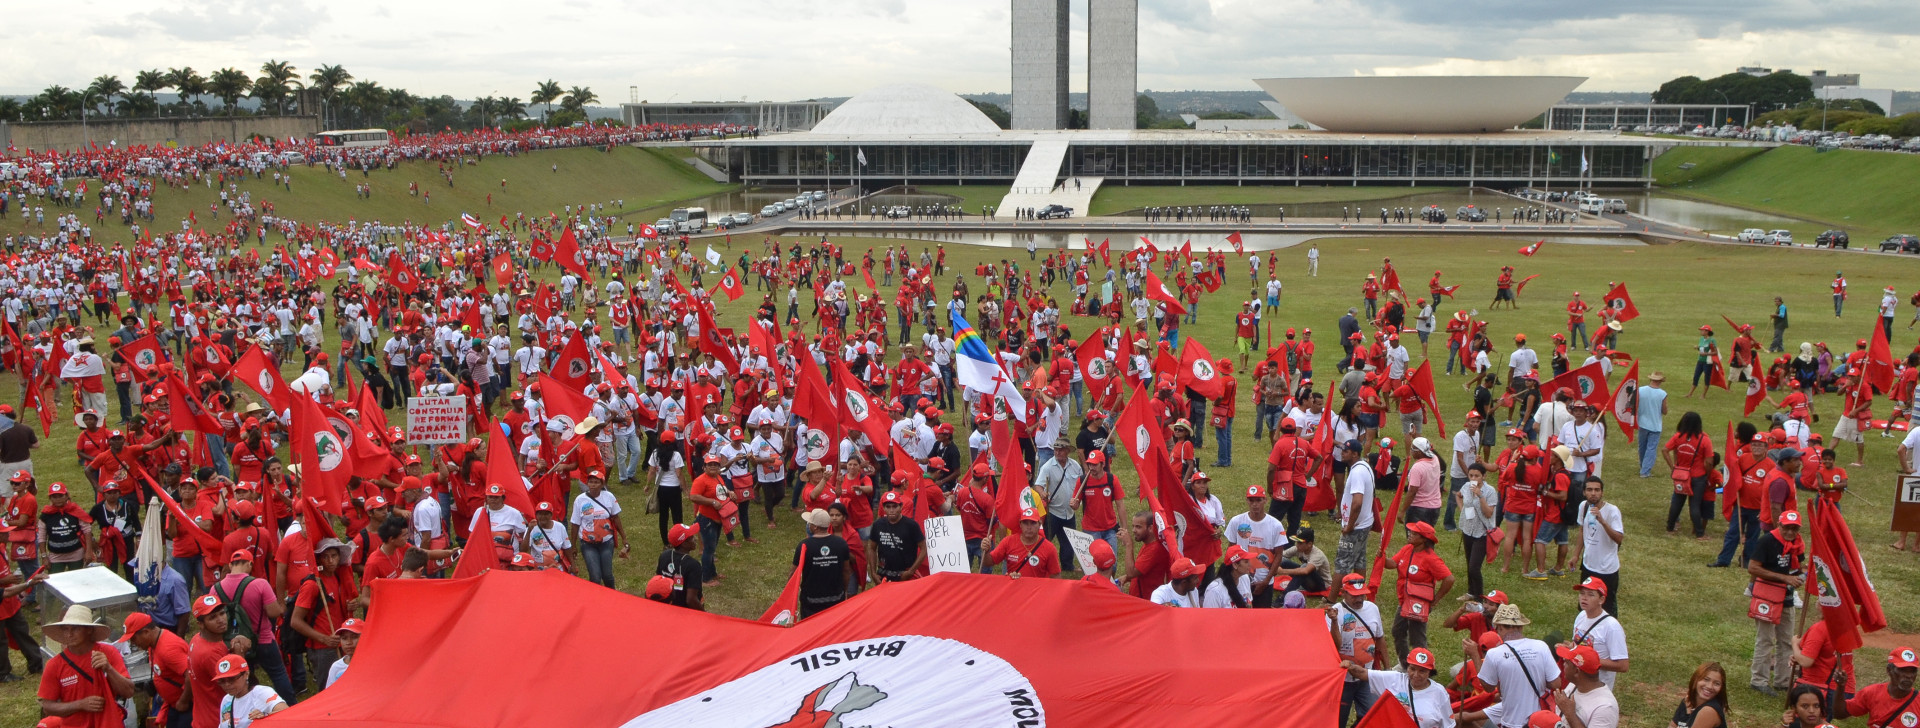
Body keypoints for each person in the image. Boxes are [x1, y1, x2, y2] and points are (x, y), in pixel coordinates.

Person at [37, 604, 135, 727]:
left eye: (75, 629)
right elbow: (47, 707)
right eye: (66, 629)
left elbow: (129, 692)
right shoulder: (54, 665)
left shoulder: (108, 653)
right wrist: (81, 704)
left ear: (89, 630)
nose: (69, 634)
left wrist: (109, 669)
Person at [1748, 509, 1806, 695]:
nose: (1790, 532)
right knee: (1765, 639)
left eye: (1794, 528)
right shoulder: (1767, 541)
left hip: (1787, 598)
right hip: (1768, 597)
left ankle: (1783, 680)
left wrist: (1803, 573)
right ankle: (1759, 680)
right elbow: (1753, 567)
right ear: (1779, 525)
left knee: (1787, 641)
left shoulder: (1797, 543)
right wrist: (1784, 578)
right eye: (1787, 528)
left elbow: (1798, 568)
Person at [1476, 604, 1560, 728]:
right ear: (1520, 627)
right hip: (1540, 722)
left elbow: (1488, 687)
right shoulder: (1541, 646)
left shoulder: (1494, 654)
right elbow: (1556, 684)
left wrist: (1474, 657)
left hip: (1511, 722)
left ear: (1499, 628)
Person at [1388, 521, 1452, 667]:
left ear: (1424, 539)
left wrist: (1435, 600)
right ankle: (1405, 664)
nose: (1410, 534)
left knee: (1417, 638)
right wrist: (1382, 557)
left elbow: (1449, 579)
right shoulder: (1407, 549)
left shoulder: (1431, 558)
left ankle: (1421, 668)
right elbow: (1393, 563)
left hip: (1419, 604)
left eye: (1414, 533)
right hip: (1404, 601)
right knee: (1397, 631)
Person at [1342, 647, 1453, 728]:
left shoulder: (1439, 693)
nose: (1415, 675)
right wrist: (1349, 666)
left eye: (1422, 671)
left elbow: (1448, 725)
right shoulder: (1394, 679)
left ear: (1430, 673)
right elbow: (1362, 673)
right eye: (1412, 669)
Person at [1328, 574, 1383, 727]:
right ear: (1343, 592)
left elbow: (1380, 638)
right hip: (1343, 679)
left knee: (1373, 715)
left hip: (1367, 676)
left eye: (1362, 595)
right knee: (1338, 721)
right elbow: (1335, 646)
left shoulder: (1372, 608)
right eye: (1354, 596)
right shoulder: (1335, 613)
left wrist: (1387, 666)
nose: (1359, 599)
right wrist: (1333, 622)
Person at [119, 612, 190, 728]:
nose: (133, 644)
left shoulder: (168, 649)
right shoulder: (154, 644)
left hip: (186, 705)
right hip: (174, 705)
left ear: (146, 632)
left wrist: (183, 701)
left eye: (133, 639)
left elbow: (191, 676)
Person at [1571, 478, 1625, 615]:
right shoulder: (1583, 507)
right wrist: (1576, 555)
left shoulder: (1612, 511)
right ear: (1584, 492)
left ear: (1602, 492)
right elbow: (1582, 531)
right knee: (1585, 605)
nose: (1593, 493)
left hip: (1607, 569)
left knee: (1606, 609)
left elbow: (1619, 539)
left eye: (1597, 490)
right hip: (1588, 565)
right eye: (1589, 490)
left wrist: (1603, 522)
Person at [570, 468, 628, 589]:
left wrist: (624, 537)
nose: (593, 485)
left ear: (602, 484)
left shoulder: (609, 497)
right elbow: (575, 524)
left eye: (596, 482)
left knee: (607, 575)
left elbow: (616, 518)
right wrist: (573, 545)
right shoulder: (580, 500)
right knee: (595, 577)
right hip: (588, 543)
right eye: (591, 482)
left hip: (606, 542)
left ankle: (613, 598)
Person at [1566, 576, 1629, 689]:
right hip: (1576, 683)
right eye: (1582, 593)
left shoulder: (1612, 627)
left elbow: (1623, 665)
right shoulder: (1581, 616)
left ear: (1601, 600)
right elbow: (1577, 645)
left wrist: (1588, 660)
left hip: (1597, 688)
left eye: (1591, 594)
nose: (1584, 598)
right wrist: (1569, 648)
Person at [794, 508, 852, 620]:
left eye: (809, 523)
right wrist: (844, 591)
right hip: (835, 599)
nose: (808, 525)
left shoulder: (804, 545)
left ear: (814, 527)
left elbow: (793, 573)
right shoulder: (841, 544)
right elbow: (846, 571)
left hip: (811, 601)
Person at [187, 593, 234, 728]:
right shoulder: (210, 654)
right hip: (217, 720)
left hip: (203, 717)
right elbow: (238, 688)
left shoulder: (196, 639)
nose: (221, 620)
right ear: (200, 624)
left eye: (222, 613)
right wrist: (240, 654)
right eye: (213, 617)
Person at [1842, 647, 1918, 728]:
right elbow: (1840, 713)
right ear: (1889, 670)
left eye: (1913, 671)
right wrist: (1840, 687)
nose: (1909, 676)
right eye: (1903, 670)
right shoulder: (1872, 693)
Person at [1456, 463, 1499, 599]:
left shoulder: (1490, 491)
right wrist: (1462, 509)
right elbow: (1458, 495)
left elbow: (1488, 513)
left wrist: (1480, 496)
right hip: (1468, 529)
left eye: (1477, 476)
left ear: (1483, 476)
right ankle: (1471, 592)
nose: (1473, 478)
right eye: (1471, 475)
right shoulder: (1465, 487)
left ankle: (1479, 598)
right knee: (1469, 563)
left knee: (1474, 567)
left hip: (1482, 533)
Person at [1554, 643, 1621, 728]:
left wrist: (1570, 715)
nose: (1563, 665)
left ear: (1577, 672)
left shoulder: (1605, 707)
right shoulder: (1574, 685)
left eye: (1567, 663)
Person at [1335, 440, 1375, 578]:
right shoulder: (1364, 466)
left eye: (1346, 451)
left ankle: (1330, 599)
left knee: (1342, 563)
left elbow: (1357, 503)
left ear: (1355, 454)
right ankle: (1359, 590)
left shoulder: (1357, 472)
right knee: (1359, 560)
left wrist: (1349, 526)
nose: (1342, 453)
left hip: (1356, 526)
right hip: (1364, 522)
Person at [984, 509, 1061, 580]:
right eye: (1025, 523)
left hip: (1037, 593)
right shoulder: (1008, 542)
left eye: (1033, 523)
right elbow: (988, 562)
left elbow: (1056, 577)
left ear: (1039, 524)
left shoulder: (1049, 548)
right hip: (1014, 590)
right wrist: (986, 551)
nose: (1029, 527)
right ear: (1020, 524)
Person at [213, 656, 288, 727]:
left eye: (232, 679)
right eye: (222, 681)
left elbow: (287, 713)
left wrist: (265, 716)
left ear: (246, 674)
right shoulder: (226, 700)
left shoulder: (262, 693)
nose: (227, 684)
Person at [868, 491, 926, 582]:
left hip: (905, 574)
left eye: (894, 506)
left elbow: (924, 548)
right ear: (883, 508)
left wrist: (911, 571)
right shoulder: (878, 525)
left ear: (901, 506)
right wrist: (873, 573)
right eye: (888, 507)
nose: (891, 510)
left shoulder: (911, 525)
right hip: (884, 574)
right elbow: (871, 548)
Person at [655, 523, 705, 610]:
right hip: (685, 613)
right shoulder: (693, 565)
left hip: (666, 608)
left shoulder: (664, 555)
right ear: (684, 544)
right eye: (692, 537)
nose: (695, 539)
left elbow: (657, 582)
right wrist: (705, 615)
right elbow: (691, 600)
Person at [1669, 662, 1727, 728]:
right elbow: (1672, 726)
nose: (1710, 686)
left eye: (1717, 683)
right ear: (1696, 679)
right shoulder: (1687, 701)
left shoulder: (1709, 711)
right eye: (1706, 679)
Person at [1637, 372, 1670, 478]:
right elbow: (1664, 411)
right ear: (1660, 381)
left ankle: (1643, 465)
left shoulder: (1640, 390)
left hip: (1642, 422)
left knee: (1642, 446)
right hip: (1655, 425)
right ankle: (1645, 471)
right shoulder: (1662, 394)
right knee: (1651, 448)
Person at [325, 618, 363, 689]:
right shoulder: (336, 667)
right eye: (344, 638)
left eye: (354, 637)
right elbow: (330, 692)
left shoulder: (372, 664)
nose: (349, 642)